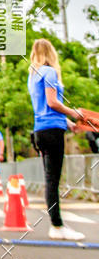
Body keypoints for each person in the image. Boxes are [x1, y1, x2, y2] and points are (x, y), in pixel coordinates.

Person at [28, 38, 85, 241]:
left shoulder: (33, 75)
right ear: (51, 52)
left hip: (40, 131)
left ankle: (56, 223)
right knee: (53, 180)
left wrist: (69, 123)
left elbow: (44, 106)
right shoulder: (49, 72)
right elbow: (52, 102)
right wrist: (75, 113)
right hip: (52, 132)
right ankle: (57, 225)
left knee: (49, 179)